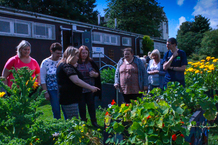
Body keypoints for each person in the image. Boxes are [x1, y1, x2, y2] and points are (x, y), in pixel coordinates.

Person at [56, 46, 100, 120]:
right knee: (73, 121)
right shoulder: (67, 66)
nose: (77, 58)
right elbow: (76, 81)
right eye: (76, 56)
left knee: (71, 120)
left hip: (70, 98)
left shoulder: (66, 65)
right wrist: (91, 87)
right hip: (69, 99)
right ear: (71, 56)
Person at [77, 45, 101, 127]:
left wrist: (94, 74)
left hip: (90, 88)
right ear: (79, 53)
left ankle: (94, 121)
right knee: (82, 106)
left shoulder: (90, 62)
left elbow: (98, 74)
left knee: (91, 105)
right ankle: (83, 122)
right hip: (80, 88)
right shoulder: (76, 62)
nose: (84, 55)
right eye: (82, 53)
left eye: (86, 53)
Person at [40, 42, 63, 120]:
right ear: (51, 51)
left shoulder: (62, 61)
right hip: (52, 89)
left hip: (62, 89)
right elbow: (42, 79)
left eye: (60, 53)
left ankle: (68, 126)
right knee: (56, 109)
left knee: (66, 108)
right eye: (57, 53)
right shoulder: (45, 62)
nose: (59, 55)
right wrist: (45, 92)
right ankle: (57, 126)